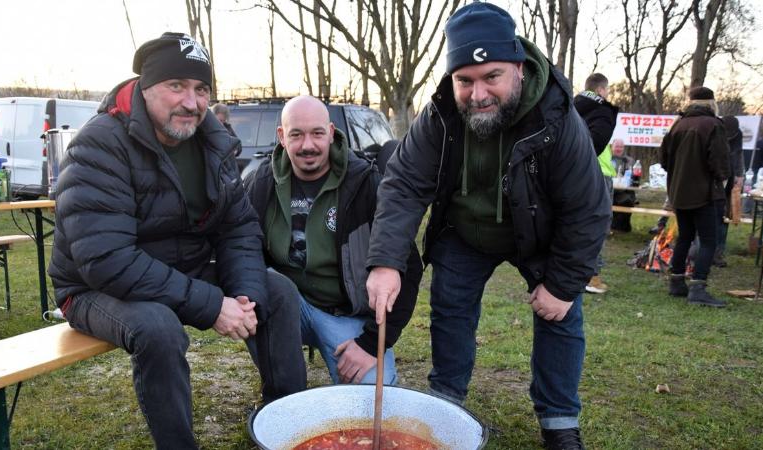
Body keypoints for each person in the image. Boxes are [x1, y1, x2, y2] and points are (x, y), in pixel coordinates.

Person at [365, 4, 609, 449]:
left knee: (561, 314)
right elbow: (402, 184)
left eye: (490, 76)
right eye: (465, 80)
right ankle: (447, 404)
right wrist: (384, 261)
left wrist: (563, 283)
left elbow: (588, 207)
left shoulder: (558, 119)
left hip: (539, 231)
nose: (477, 94)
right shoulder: (438, 113)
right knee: (451, 307)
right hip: (465, 230)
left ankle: (559, 422)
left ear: (517, 67)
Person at [48, 32, 306, 449]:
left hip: (178, 267)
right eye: (177, 86)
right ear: (146, 88)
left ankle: (285, 423)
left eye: (201, 89)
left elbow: (238, 226)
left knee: (275, 291)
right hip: (92, 287)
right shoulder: (99, 144)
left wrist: (242, 295)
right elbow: (107, 260)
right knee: (158, 327)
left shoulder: (212, 140)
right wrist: (211, 306)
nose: (191, 102)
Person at [244, 95, 422, 385]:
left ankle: (352, 359)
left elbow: (409, 267)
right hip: (288, 307)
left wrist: (371, 343)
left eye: (317, 133)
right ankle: (281, 387)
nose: (308, 146)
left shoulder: (367, 184)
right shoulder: (260, 183)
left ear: (330, 132)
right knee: (256, 289)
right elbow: (240, 250)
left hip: (346, 314)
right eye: (296, 135)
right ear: (281, 136)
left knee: (370, 397)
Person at [660, 86, 729, 307]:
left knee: (685, 237)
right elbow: (719, 162)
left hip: (679, 192)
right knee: (709, 241)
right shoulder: (713, 124)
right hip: (704, 193)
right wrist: (722, 179)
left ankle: (677, 282)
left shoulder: (678, 125)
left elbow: (663, 159)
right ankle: (698, 288)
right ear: (711, 103)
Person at [574, 73, 619, 293]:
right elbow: (594, 144)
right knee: (597, 224)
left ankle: (578, 272)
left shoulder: (572, 107)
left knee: (577, 223)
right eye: (607, 91)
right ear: (601, 90)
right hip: (598, 175)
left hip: (576, 174)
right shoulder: (601, 112)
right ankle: (591, 276)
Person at [713, 115, 746, 267]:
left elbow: (738, 154)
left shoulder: (738, 134)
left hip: (729, 178)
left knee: (724, 216)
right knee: (710, 215)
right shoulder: (714, 130)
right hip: (714, 179)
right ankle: (701, 251)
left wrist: (739, 174)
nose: (731, 137)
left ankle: (719, 253)